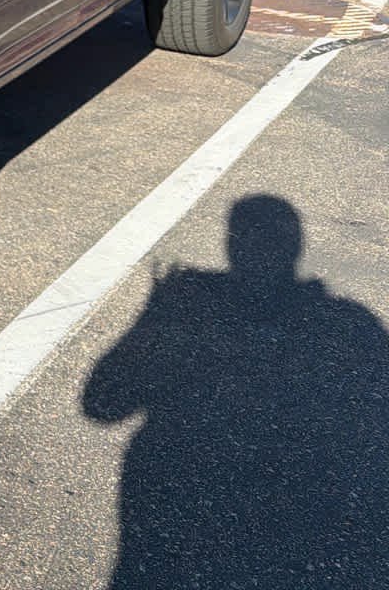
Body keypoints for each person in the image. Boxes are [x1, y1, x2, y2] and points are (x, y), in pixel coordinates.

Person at [84, 194, 389, 587]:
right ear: (295, 247)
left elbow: (103, 403)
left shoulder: (190, 298)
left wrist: (156, 311)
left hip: (182, 511)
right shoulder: (352, 323)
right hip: (300, 529)